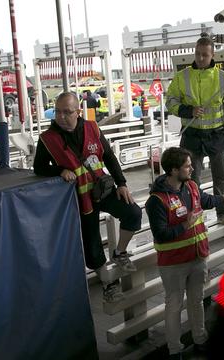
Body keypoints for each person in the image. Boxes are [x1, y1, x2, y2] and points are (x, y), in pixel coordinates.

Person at [33, 92, 142, 302]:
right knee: (91, 242)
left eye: (67, 112)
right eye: (58, 112)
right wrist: (59, 171)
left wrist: (122, 184)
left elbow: (109, 156)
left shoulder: (92, 127)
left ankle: (120, 252)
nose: (61, 116)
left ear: (78, 112)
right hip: (79, 199)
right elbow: (38, 168)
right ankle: (109, 285)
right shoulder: (47, 139)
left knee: (133, 212)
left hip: (103, 188)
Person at [145, 147, 224, 360]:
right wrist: (185, 225)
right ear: (173, 170)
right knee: (174, 306)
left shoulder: (191, 186)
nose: (192, 168)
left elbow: (207, 201)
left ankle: (200, 339)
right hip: (173, 264)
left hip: (198, 257)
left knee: (197, 301)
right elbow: (161, 235)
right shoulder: (156, 201)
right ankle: (175, 350)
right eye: (187, 166)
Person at [166, 36, 224, 227]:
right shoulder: (182, 77)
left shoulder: (223, 78)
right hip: (192, 136)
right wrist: (188, 110)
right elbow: (170, 101)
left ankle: (223, 213)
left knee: (220, 179)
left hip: (217, 135)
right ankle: (194, 216)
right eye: (198, 54)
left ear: (212, 55)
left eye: (205, 55)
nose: (201, 58)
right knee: (192, 180)